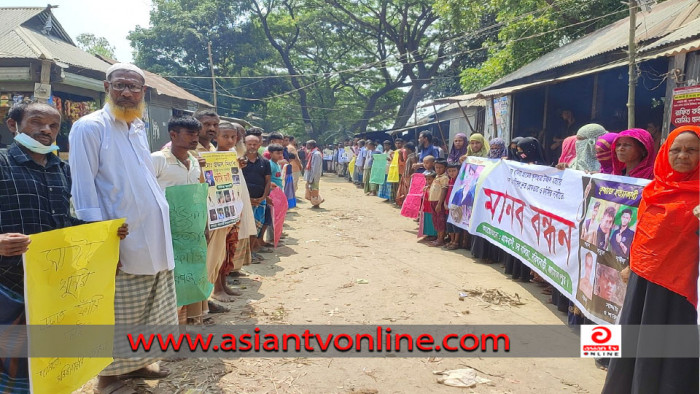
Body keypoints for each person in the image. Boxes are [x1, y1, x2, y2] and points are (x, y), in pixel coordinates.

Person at [0, 102, 128, 394]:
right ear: (13, 125)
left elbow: (62, 223)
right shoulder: (2, 164)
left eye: (53, 125)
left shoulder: (60, 169)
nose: (46, 130)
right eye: (36, 122)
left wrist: (106, 233)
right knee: (11, 367)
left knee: (47, 364)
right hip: (7, 285)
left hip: (51, 289)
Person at [69, 63, 176, 391]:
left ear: (143, 92)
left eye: (134, 87)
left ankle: (139, 363)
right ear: (107, 86)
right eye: (121, 86)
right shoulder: (89, 127)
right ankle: (111, 376)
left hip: (154, 236)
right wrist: (101, 244)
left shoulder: (137, 126)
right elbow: (84, 190)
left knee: (151, 305)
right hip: (121, 240)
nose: (127, 92)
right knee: (120, 310)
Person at [603, 130, 700, 393]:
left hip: (680, 286)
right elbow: (643, 232)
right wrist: (631, 263)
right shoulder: (654, 190)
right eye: (676, 150)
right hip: (643, 278)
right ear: (665, 153)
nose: (682, 156)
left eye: (691, 150)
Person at [151, 116, 211, 321]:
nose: (194, 138)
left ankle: (184, 328)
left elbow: (199, 193)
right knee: (169, 280)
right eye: (189, 134)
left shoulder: (194, 161)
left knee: (188, 276)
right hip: (164, 230)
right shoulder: (157, 159)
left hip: (190, 232)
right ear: (173, 135)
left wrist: (205, 225)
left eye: (196, 134)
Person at [242, 135, 272, 258]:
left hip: (260, 201)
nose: (252, 146)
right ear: (244, 144)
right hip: (243, 201)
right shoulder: (240, 162)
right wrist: (247, 199)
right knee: (244, 228)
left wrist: (263, 197)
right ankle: (244, 254)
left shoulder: (265, 162)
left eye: (255, 144)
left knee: (256, 228)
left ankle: (251, 252)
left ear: (259, 145)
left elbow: (268, 182)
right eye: (249, 144)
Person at [428, 159, 449, 247]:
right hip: (432, 201)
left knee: (440, 220)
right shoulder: (437, 176)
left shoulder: (444, 178)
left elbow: (444, 190)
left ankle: (441, 239)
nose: (438, 169)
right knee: (435, 220)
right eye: (436, 167)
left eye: (440, 168)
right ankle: (438, 237)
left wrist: (439, 203)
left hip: (438, 202)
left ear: (445, 168)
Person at [443, 163, 462, 250]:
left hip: (456, 206)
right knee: (449, 224)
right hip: (448, 206)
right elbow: (446, 193)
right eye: (449, 171)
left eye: (454, 171)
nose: (451, 173)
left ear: (458, 171)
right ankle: (451, 240)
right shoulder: (449, 181)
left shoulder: (460, 181)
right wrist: (445, 203)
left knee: (456, 224)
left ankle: (456, 242)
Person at [418, 170, 438, 243]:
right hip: (426, 208)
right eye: (426, 179)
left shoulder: (435, 187)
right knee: (427, 221)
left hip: (432, 208)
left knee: (432, 221)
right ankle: (429, 234)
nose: (428, 181)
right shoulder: (426, 188)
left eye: (429, 179)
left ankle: (434, 235)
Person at [304, 140, 324, 207]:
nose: (306, 146)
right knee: (311, 188)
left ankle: (316, 203)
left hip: (314, 176)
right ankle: (317, 200)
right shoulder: (312, 153)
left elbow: (315, 168)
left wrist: (312, 178)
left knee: (314, 189)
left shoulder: (316, 154)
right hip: (311, 175)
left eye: (307, 145)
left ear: (312, 146)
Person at [396, 142, 416, 206]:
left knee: (408, 190)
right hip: (406, 175)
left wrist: (410, 174)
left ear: (409, 149)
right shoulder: (409, 156)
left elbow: (414, 167)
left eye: (406, 149)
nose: (405, 151)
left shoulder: (412, 156)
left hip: (409, 176)